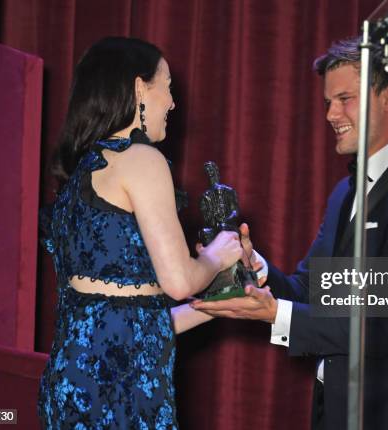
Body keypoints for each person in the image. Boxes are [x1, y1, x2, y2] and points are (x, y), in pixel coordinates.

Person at [193, 37, 388, 430]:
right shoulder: (345, 192)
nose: (331, 113)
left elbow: (382, 325)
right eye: (328, 102)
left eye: (345, 98)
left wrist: (275, 314)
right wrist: (256, 272)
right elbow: (312, 290)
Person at [37, 37, 244, 429]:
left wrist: (225, 299)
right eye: (167, 86)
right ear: (138, 89)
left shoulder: (82, 173)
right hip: (122, 388)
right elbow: (180, 281)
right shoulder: (141, 159)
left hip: (75, 379)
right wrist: (217, 255)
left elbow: (129, 319)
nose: (172, 102)